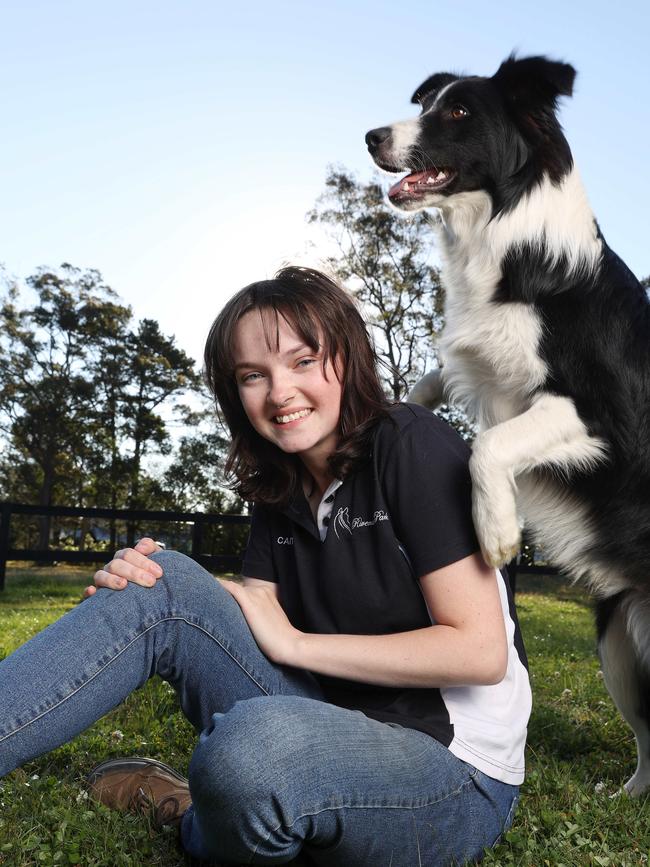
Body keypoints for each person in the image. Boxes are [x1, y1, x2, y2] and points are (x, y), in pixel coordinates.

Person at [0, 266, 531, 866]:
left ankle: (197, 816)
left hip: (451, 770)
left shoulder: (411, 441)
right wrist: (146, 589)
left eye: (303, 361)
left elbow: (479, 653)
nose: (279, 393)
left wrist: (298, 645)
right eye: (254, 375)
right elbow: (248, 617)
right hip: (325, 725)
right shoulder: (280, 487)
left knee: (252, 757)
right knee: (162, 580)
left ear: (347, 359)